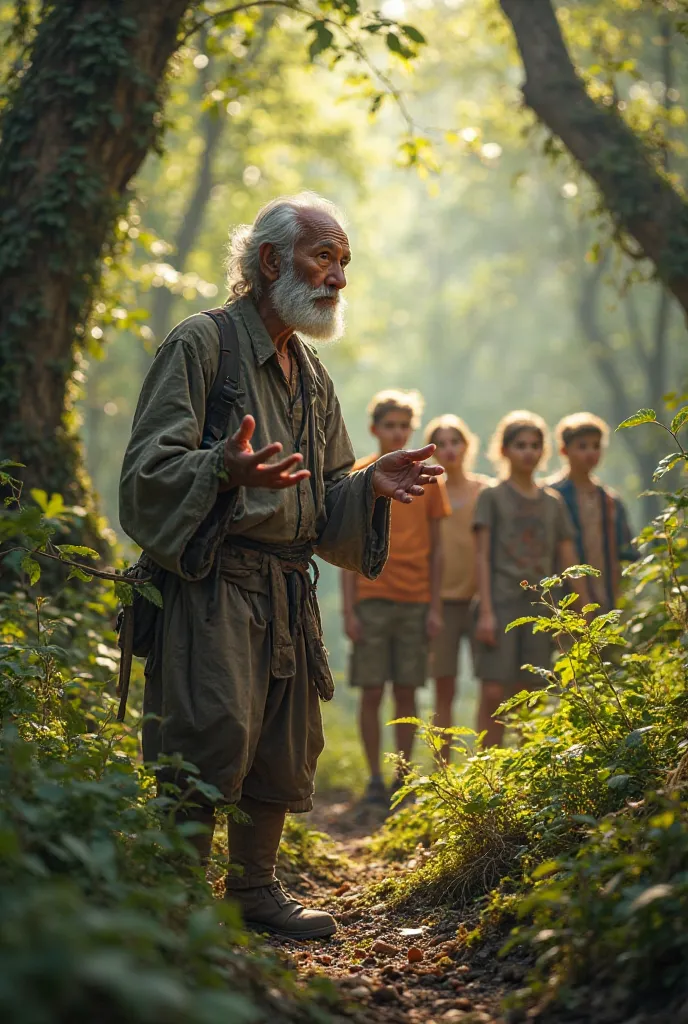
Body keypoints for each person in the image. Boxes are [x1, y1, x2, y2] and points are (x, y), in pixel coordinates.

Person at [119, 193, 443, 939]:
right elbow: (146, 472)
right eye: (322, 256)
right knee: (209, 731)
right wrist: (221, 469)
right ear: (270, 261)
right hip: (211, 585)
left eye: (343, 262)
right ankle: (174, 900)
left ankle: (254, 891)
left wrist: (370, 482)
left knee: (283, 742)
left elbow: (326, 493)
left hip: (287, 589)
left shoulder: (312, 371)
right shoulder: (202, 344)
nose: (337, 277)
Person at [341, 390, 450, 808]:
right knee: (371, 690)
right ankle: (372, 778)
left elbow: (437, 549)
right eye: (390, 425)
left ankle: (402, 779)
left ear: (413, 429)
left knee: (407, 691)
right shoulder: (361, 474)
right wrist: (349, 609)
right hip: (371, 598)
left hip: (415, 599)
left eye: (404, 425)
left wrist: (435, 606)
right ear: (375, 429)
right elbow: (347, 546)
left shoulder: (428, 476)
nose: (397, 432)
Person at [473, 410, 585, 748]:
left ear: (544, 451)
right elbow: (482, 556)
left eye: (535, 445)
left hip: (541, 610)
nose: (528, 452)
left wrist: (583, 610)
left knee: (531, 690)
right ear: (504, 450)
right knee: (494, 689)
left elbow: (568, 559)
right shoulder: (491, 496)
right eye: (520, 445)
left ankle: (524, 773)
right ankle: (487, 768)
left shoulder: (552, 503)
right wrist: (487, 612)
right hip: (501, 603)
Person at [423, 415, 491, 760]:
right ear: (433, 451)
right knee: (443, 690)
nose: (450, 450)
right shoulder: (427, 491)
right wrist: (431, 606)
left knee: (490, 688)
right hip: (443, 604)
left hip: (482, 603)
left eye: (456, 442)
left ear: (468, 445)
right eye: (442, 443)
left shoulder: (485, 490)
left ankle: (485, 767)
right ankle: (443, 772)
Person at [549, 412, 638, 612]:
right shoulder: (549, 496)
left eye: (596, 446)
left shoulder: (610, 500)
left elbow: (625, 553)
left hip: (606, 597)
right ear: (564, 450)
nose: (591, 453)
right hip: (560, 601)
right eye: (582, 446)